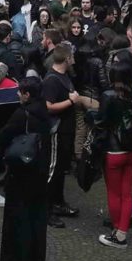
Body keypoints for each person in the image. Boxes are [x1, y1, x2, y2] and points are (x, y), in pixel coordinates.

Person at [0, 76, 52, 261]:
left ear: (27, 94)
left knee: (18, 216)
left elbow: (3, 136)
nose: (17, 94)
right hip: (40, 170)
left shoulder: (22, 114)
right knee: (38, 215)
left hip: (22, 171)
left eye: (20, 92)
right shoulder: (44, 112)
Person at [96, 62, 132, 249]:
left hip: (113, 150)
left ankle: (117, 232)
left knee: (113, 193)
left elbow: (101, 122)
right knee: (126, 194)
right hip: (131, 150)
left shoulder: (108, 96)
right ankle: (122, 231)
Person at [44, 44, 84, 227]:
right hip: (57, 132)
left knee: (61, 169)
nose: (74, 60)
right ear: (67, 59)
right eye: (72, 57)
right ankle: (47, 210)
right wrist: (70, 101)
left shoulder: (65, 76)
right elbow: (49, 106)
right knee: (53, 171)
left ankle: (58, 203)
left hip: (66, 130)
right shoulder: (51, 80)